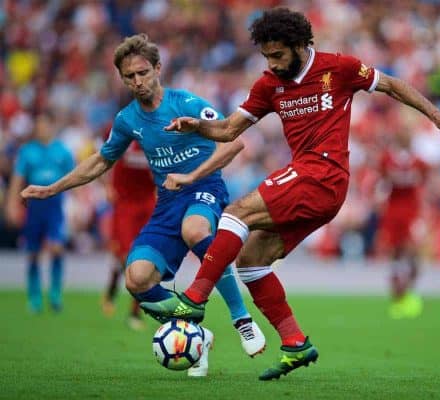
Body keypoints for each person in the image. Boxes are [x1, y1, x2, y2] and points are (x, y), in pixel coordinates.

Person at [140, 8, 440, 380]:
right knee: (251, 260)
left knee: (237, 213)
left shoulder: (339, 68)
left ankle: (195, 299)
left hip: (324, 174)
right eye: (266, 56)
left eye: (277, 55)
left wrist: (435, 114)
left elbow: (390, 84)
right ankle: (295, 343)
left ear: (299, 45)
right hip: (312, 188)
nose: (272, 63)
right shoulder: (268, 86)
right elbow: (229, 130)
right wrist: (197, 125)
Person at [20, 34, 266, 377]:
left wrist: (190, 175)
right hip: (166, 203)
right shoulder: (126, 120)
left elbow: (233, 143)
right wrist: (53, 188)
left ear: (158, 69)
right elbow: (101, 161)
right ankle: (194, 333)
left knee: (196, 229)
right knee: (135, 279)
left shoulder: (186, 103)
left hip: (203, 188)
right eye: (129, 76)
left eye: (143, 72)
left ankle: (242, 319)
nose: (137, 81)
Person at [5, 110, 75, 313]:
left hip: (55, 205)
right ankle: (34, 297)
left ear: (52, 126)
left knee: (56, 248)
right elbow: (18, 180)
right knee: (33, 252)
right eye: (39, 125)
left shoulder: (62, 151)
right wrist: (11, 204)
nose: (42, 129)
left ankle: (55, 294)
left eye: (45, 125)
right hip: (34, 206)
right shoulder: (27, 151)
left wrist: (76, 205)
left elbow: (74, 178)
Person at [101, 138, 156, 331]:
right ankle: (113, 288)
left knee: (144, 258)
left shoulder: (157, 135)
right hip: (124, 203)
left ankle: (135, 311)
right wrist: (107, 186)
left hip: (147, 204)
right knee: (125, 257)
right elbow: (104, 158)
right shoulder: (124, 130)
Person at [375, 129, 428, 319]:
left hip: (412, 211)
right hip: (393, 210)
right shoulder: (388, 158)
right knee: (395, 252)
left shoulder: (418, 160)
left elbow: (425, 181)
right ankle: (398, 296)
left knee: (413, 251)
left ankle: (409, 291)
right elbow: (382, 181)